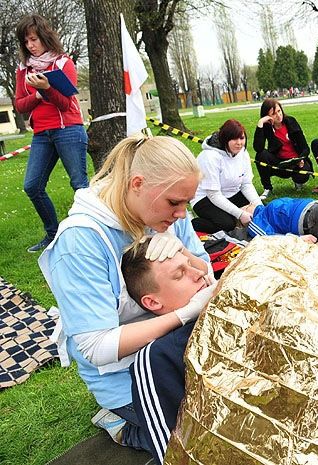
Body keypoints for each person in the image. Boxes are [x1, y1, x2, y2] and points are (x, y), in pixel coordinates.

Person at [38, 135, 215, 453]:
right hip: (126, 377)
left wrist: (184, 253)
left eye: (186, 203)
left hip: (180, 350)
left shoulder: (167, 217)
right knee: (201, 441)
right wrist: (184, 314)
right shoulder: (80, 242)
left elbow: (207, 275)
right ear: (137, 184)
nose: (182, 214)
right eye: (174, 203)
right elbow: (96, 346)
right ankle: (121, 425)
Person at [121, 237, 215, 465]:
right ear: (153, 302)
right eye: (179, 274)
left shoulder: (233, 310)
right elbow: (172, 452)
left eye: (190, 264)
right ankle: (126, 432)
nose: (198, 274)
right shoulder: (157, 359)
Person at [14, 14, 88, 253]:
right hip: (41, 134)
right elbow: (20, 105)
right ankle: (53, 234)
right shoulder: (23, 70)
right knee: (32, 186)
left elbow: (66, 104)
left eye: (34, 39)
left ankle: (88, 235)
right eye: (26, 41)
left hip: (68, 130)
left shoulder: (63, 63)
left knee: (80, 186)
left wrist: (47, 88)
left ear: (45, 37)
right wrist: (38, 94)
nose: (30, 45)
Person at [191, 118, 263, 233]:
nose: (239, 143)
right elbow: (213, 194)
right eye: (234, 139)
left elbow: (246, 184)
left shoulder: (243, 152)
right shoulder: (209, 157)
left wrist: (260, 207)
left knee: (257, 212)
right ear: (225, 139)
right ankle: (193, 224)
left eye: (242, 138)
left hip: (231, 192)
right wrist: (240, 214)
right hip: (205, 197)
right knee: (227, 224)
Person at [253, 98, 313, 199]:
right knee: (261, 155)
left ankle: (298, 182)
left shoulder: (291, 121)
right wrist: (260, 123)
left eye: (279, 111)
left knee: (302, 176)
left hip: (295, 162)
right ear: (267, 116)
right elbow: (258, 148)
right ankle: (267, 188)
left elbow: (305, 148)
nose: (278, 115)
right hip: (279, 163)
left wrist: (301, 159)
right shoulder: (267, 127)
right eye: (273, 114)